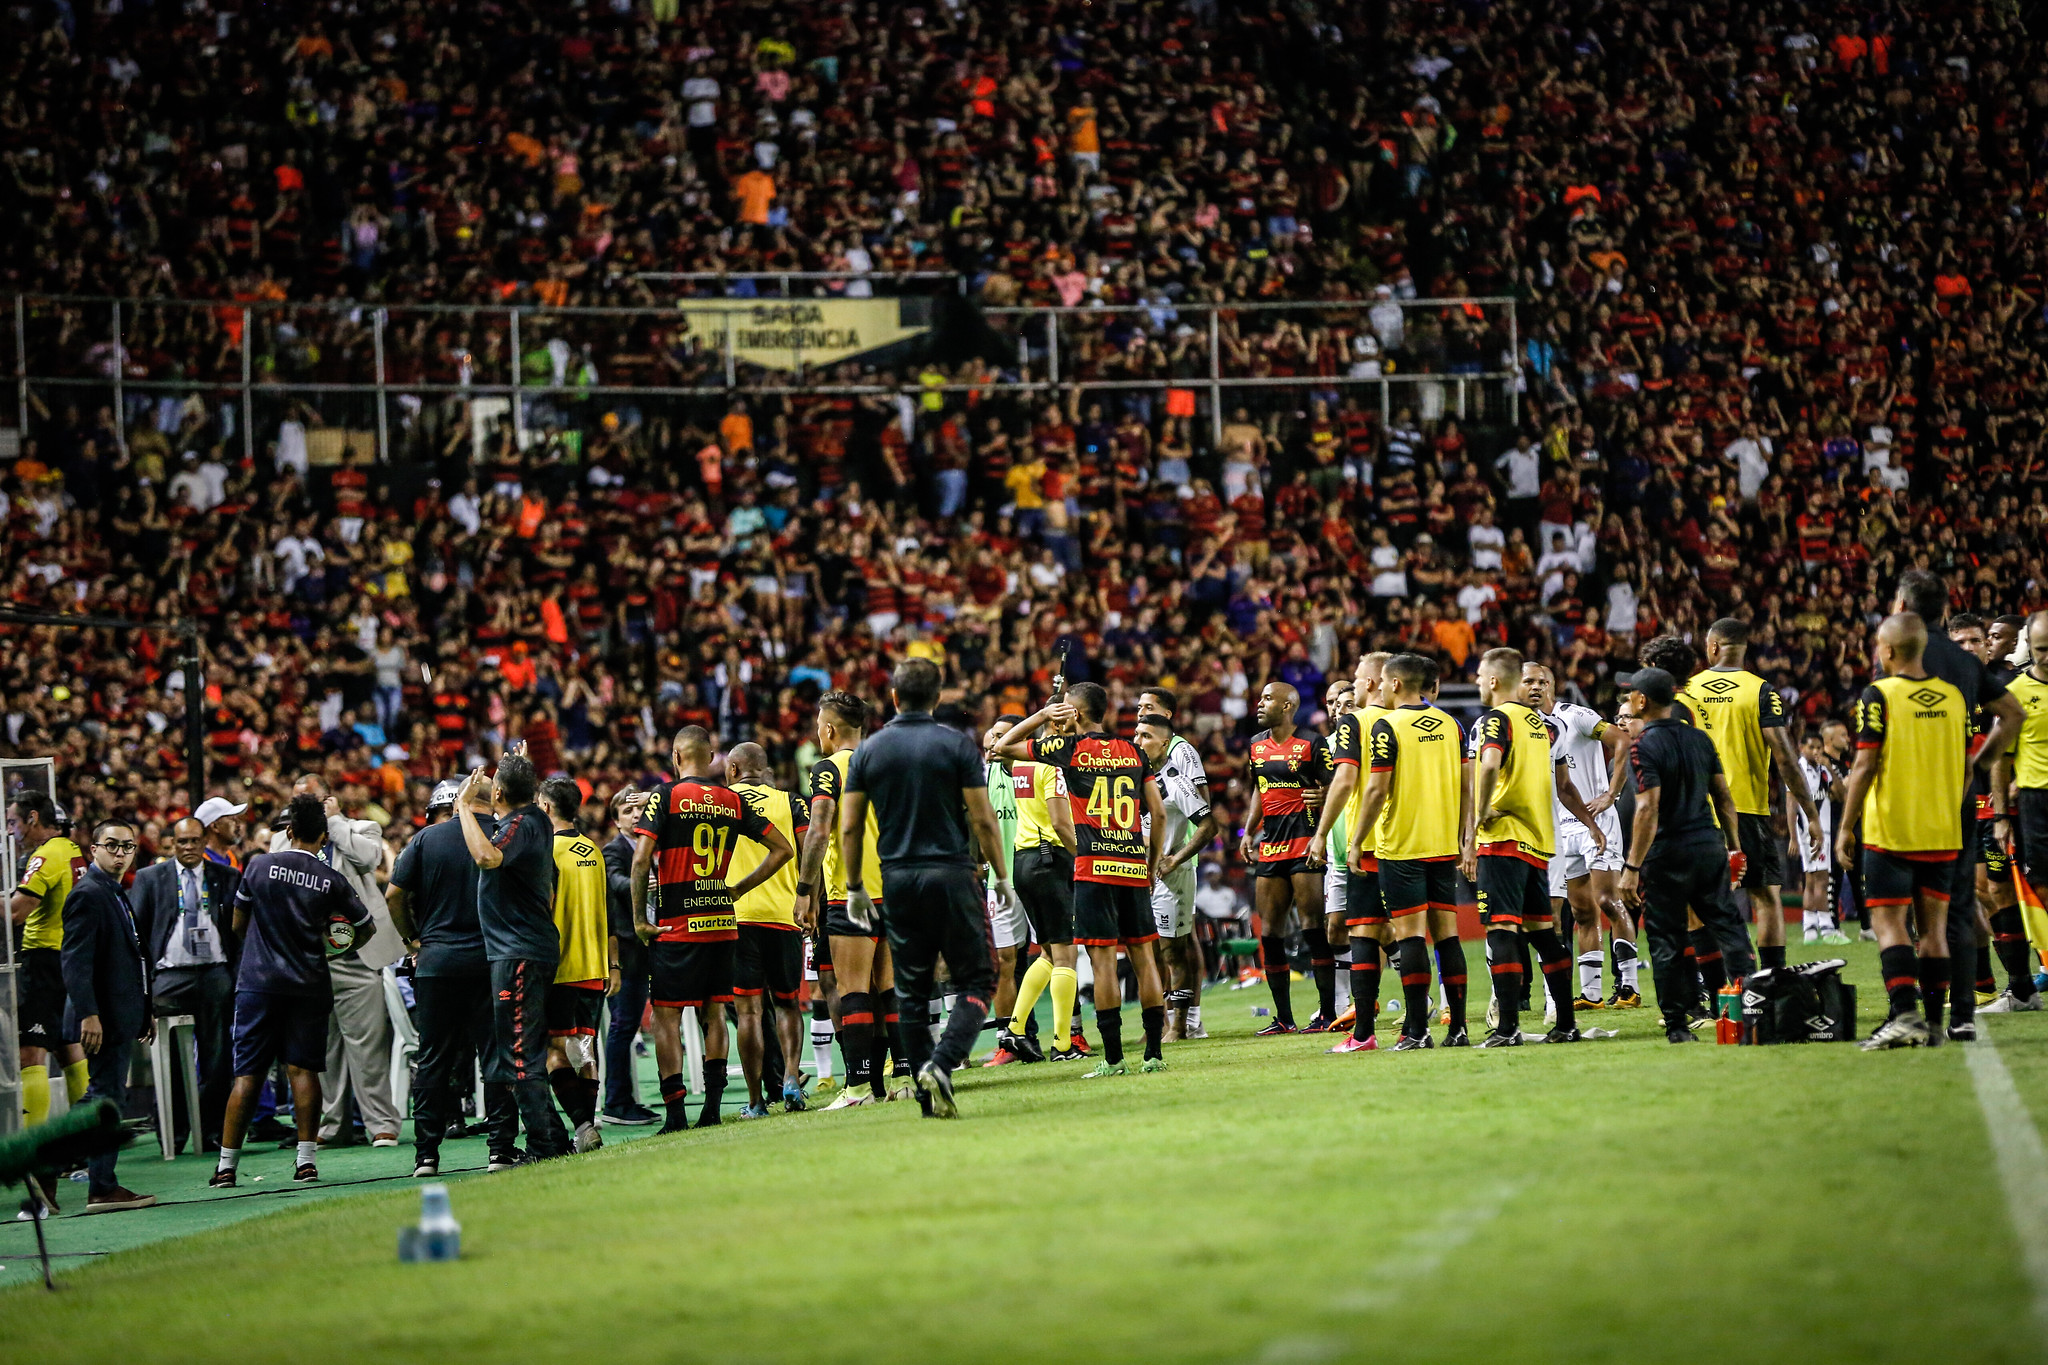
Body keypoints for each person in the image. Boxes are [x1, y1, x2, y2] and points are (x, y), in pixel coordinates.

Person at [839, 658, 1010, 1116]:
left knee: (911, 991)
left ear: (894, 697)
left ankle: (926, 1096)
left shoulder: (868, 752)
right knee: (979, 978)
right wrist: (1002, 875)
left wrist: (855, 886)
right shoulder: (956, 745)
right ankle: (942, 1062)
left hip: (897, 881)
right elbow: (983, 819)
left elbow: (850, 827)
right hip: (951, 875)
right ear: (937, 698)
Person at [996, 680, 1172, 1077]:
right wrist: (1149, 864)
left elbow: (1002, 747)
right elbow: (1158, 814)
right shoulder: (1133, 750)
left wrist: (1042, 715)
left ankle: (1114, 1059)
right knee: (1145, 958)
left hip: (1093, 867)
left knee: (1103, 962)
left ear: (1073, 712)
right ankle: (1154, 1054)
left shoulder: (1068, 749)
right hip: (1132, 865)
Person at [631, 727, 792, 1131]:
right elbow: (783, 849)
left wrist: (639, 920)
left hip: (677, 924)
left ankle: (675, 1115)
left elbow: (640, 859)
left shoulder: (666, 796)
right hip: (722, 922)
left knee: (665, 1019)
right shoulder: (732, 799)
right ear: (712, 757)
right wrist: (738, 888)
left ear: (676, 757)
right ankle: (713, 1110)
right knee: (714, 1013)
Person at [213, 795, 377, 1187]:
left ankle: (225, 1167)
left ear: (288, 831)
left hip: (258, 985)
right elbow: (366, 927)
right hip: (309, 984)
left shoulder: (258, 865)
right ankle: (306, 1163)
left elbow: (237, 924)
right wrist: (333, 949)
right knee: (303, 1071)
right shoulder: (330, 878)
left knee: (248, 1076)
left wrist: (262, 945)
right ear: (324, 837)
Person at [1835, 614, 1971, 1049]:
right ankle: (1934, 1025)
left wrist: (1845, 827)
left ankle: (1906, 1015)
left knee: (1890, 922)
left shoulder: (1880, 694)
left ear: (1888, 650)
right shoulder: (1954, 697)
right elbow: (1968, 766)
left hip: (1892, 830)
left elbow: (1864, 763)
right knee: (1934, 929)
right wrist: (1946, 805)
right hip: (1943, 830)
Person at [1462, 647, 1606, 1046]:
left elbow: (1489, 764)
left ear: (1494, 680)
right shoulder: (1545, 726)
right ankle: (1566, 1024)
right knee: (1543, 933)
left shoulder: (1494, 720)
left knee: (1502, 930)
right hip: (1538, 841)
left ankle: (1507, 1028)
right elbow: (1561, 783)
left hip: (1503, 838)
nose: (1477, 682)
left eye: (1480, 676)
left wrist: (1480, 812)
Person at [387, 778, 514, 1178]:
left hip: (436, 962)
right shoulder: (505, 834)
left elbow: (393, 895)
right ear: (493, 799)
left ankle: (426, 1156)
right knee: (496, 1056)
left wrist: (412, 939)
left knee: (432, 1060)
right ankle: (500, 1150)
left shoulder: (427, 839)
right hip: (491, 960)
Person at [1616, 669, 1751, 1044]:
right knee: (1730, 929)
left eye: (1631, 695)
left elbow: (1648, 809)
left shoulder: (1642, 746)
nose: (1628, 701)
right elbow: (1724, 798)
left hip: (1667, 854)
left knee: (1667, 941)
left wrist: (1632, 867)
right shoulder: (1700, 739)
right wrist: (1734, 847)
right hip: (1708, 845)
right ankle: (1752, 1013)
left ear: (1642, 701)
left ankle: (1678, 1025)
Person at [270, 773, 402, 1148]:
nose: (302, 807)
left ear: (329, 799)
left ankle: (381, 1123)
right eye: (297, 801)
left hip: (357, 954)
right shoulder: (282, 839)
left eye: (310, 800)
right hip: (310, 956)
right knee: (323, 1046)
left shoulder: (361, 828)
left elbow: (369, 859)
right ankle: (333, 1125)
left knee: (368, 1045)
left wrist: (335, 823)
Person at [1683, 619, 1822, 972]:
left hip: (1699, 813)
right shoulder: (1761, 691)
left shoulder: (1688, 690)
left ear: (1713, 647)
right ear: (1744, 650)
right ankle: (1773, 979)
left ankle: (1715, 987)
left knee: (1698, 902)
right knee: (1766, 896)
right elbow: (1785, 756)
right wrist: (1811, 813)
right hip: (1747, 810)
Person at [1348, 653, 1470, 1050]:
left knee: (1411, 937)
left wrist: (1356, 840)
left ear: (1397, 684)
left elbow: (1376, 789)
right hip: (1443, 844)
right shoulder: (1452, 725)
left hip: (1402, 845)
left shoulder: (1388, 726)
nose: (1381, 688)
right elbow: (1467, 786)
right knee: (1448, 936)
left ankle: (1417, 1031)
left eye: (1384, 682)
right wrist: (1464, 836)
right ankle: (1459, 1028)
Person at [457, 750, 572, 1162]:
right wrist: (519, 767)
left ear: (499, 795)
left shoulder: (519, 825)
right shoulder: (538, 818)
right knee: (527, 1051)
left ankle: (543, 1146)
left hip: (517, 954)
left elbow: (487, 857)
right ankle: (555, 1139)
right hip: (531, 948)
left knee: (519, 1056)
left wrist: (462, 807)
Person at [793, 693, 897, 1110]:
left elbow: (819, 831)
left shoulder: (828, 769)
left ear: (830, 729)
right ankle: (902, 1077)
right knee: (889, 988)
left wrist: (804, 890)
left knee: (852, 989)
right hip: (893, 888)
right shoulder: (884, 761)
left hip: (851, 893)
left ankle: (857, 1088)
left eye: (819, 725)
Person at [1522, 662, 1637, 1011]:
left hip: (1597, 820)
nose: (1536, 687)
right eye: (1528, 681)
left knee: (1606, 900)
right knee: (1581, 911)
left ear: (1552, 687)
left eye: (1543, 681)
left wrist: (1611, 794)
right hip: (1561, 828)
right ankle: (1591, 994)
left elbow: (1622, 740)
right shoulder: (1525, 727)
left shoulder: (1576, 715)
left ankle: (1629, 986)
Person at [56, 819, 153, 1213]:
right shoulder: (89, 893)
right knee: (106, 1099)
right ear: (93, 849)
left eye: (127, 846)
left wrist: (144, 1009)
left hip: (118, 1014)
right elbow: (75, 962)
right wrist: (89, 1014)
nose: (120, 853)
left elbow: (133, 958)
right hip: (101, 1018)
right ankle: (100, 1186)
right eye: (111, 845)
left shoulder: (113, 891)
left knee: (101, 1097)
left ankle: (48, 1162)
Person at [130, 815, 241, 1152]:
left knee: (217, 1058)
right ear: (172, 845)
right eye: (182, 842)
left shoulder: (227, 877)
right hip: (170, 975)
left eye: (194, 841)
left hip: (215, 972)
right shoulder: (151, 878)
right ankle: (174, 1133)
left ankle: (212, 1132)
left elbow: (239, 929)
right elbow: (137, 932)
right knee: (172, 1060)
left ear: (205, 842)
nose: (189, 847)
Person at [1240, 681, 1336, 1032]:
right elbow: (1259, 788)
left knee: (1313, 928)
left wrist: (1323, 796)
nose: (1260, 703)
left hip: (1305, 842)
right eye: (1261, 697)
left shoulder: (1312, 743)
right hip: (1271, 844)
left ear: (1287, 706)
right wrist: (1249, 830)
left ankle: (1328, 1013)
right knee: (1270, 934)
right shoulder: (1256, 745)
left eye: (1268, 698)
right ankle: (1284, 1019)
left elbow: (1336, 785)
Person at [724, 742, 811, 1115]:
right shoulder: (791, 802)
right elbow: (809, 853)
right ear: (763, 769)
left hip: (738, 917)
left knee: (748, 1012)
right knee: (788, 1005)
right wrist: (810, 901)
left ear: (733, 769)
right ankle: (791, 1079)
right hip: (784, 913)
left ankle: (756, 1101)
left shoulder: (722, 803)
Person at [1316, 652, 1393, 1051]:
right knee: (1413, 931)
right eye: (1333, 702)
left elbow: (1354, 784)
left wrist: (1334, 835)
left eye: (1352, 689)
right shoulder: (1431, 724)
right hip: (1404, 843)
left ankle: (1364, 1028)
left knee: (1367, 930)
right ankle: (1422, 1024)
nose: (1339, 707)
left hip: (1368, 845)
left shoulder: (1360, 726)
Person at [1135, 689, 1221, 1043]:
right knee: (1152, 949)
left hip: (1171, 875)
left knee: (1175, 950)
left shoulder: (1176, 772)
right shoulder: (1135, 776)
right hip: (1141, 875)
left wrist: (1175, 858)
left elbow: (1208, 822)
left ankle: (1181, 1023)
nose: (1138, 741)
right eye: (1137, 734)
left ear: (1164, 740)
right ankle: (1160, 1022)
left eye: (1146, 736)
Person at [1000, 707, 1086, 1060]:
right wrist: (1084, 856)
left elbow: (1005, 746)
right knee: (1066, 954)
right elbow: (1061, 822)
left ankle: (1015, 1028)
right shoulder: (1053, 765)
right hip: (1051, 860)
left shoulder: (1022, 764)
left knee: (1049, 953)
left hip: (1024, 861)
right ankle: (1064, 1044)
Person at [539, 775, 618, 1152]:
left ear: (546, 807)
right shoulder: (594, 850)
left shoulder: (547, 851)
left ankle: (583, 1124)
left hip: (559, 967)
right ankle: (586, 1128)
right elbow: (608, 911)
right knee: (585, 1049)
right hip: (593, 966)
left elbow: (545, 905)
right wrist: (612, 964)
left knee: (554, 1049)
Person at [9, 790, 87, 1132]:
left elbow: (17, 912)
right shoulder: (72, 850)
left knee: (30, 1052)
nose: (11, 831)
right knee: (69, 1048)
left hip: (44, 961)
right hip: (69, 958)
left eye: (13, 822)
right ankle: (87, 1142)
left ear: (33, 818)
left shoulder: (45, 856)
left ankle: (34, 1148)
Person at [1990, 609, 2048, 1015]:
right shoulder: (2016, 692)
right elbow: (2001, 758)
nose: (2047, 656)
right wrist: (2001, 815)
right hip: (2035, 802)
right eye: (2041, 649)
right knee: (2040, 885)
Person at [977, 717, 1035, 1066]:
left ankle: (1072, 1033)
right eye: (991, 739)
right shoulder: (985, 776)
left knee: (1058, 955)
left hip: (1039, 874)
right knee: (1003, 961)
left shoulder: (1040, 770)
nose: (994, 745)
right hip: (1001, 882)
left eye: (1001, 737)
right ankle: (1009, 1041)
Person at [601, 788, 658, 1123]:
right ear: (616, 820)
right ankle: (616, 1103)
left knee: (631, 1025)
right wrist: (641, 882)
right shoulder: (613, 850)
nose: (636, 815)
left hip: (651, 945)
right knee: (623, 1026)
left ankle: (628, 1099)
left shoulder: (653, 846)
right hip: (625, 951)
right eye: (627, 811)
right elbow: (615, 882)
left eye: (640, 810)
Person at [195, 796, 248, 871]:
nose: (238, 825)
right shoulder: (198, 862)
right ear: (215, 826)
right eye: (232, 819)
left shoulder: (231, 857)